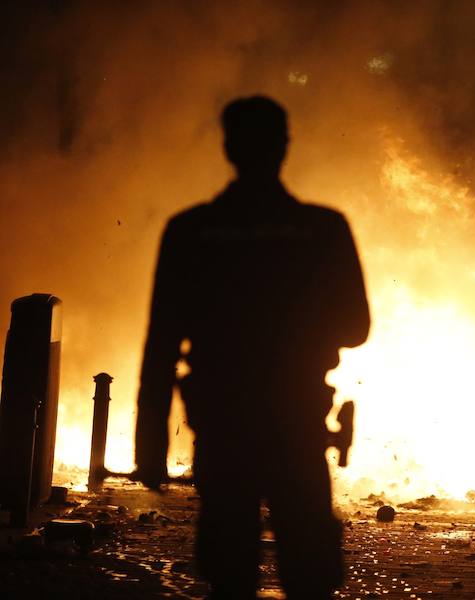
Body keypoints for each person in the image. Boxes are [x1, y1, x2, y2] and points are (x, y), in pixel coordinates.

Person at [134, 96, 370, 599]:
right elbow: (356, 326)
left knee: (229, 572)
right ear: (285, 146)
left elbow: (161, 346)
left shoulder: (191, 231)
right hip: (297, 423)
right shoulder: (323, 230)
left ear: (228, 147)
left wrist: (150, 447)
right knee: (309, 572)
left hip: (224, 427)